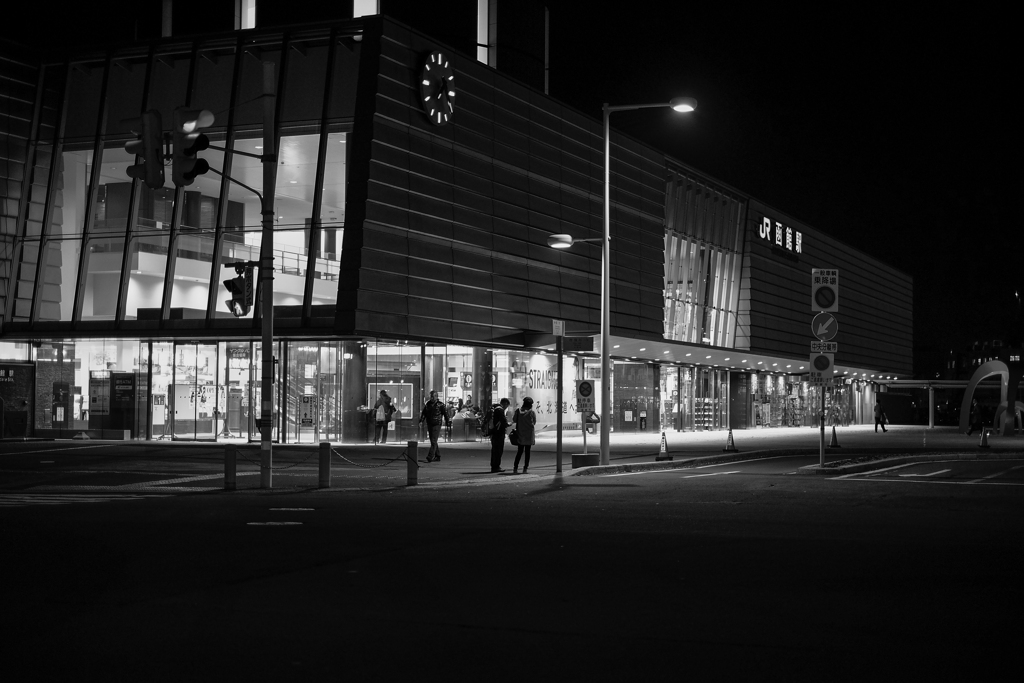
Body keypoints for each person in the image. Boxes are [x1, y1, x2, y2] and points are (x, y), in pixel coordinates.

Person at [419, 390, 446, 462]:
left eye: (433, 396)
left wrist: (447, 421)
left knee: (433, 440)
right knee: (433, 440)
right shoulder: (428, 404)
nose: (431, 398)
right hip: (430, 423)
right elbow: (424, 413)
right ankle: (438, 455)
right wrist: (421, 421)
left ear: (436, 397)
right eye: (431, 396)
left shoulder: (441, 405)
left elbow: (445, 413)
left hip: (437, 423)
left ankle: (430, 456)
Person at [512, 396, 537, 474]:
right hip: (529, 435)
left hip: (520, 433)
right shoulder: (531, 412)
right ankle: (525, 468)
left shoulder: (518, 411)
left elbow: (514, 420)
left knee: (519, 451)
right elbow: (534, 422)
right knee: (527, 452)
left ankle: (515, 468)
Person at [489, 398, 511, 473]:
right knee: (498, 450)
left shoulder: (495, 408)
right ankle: (496, 466)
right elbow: (503, 421)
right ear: (505, 404)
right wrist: (508, 424)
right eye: (506, 406)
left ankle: (494, 466)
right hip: (498, 433)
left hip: (493, 432)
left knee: (494, 450)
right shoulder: (500, 410)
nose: (506, 408)